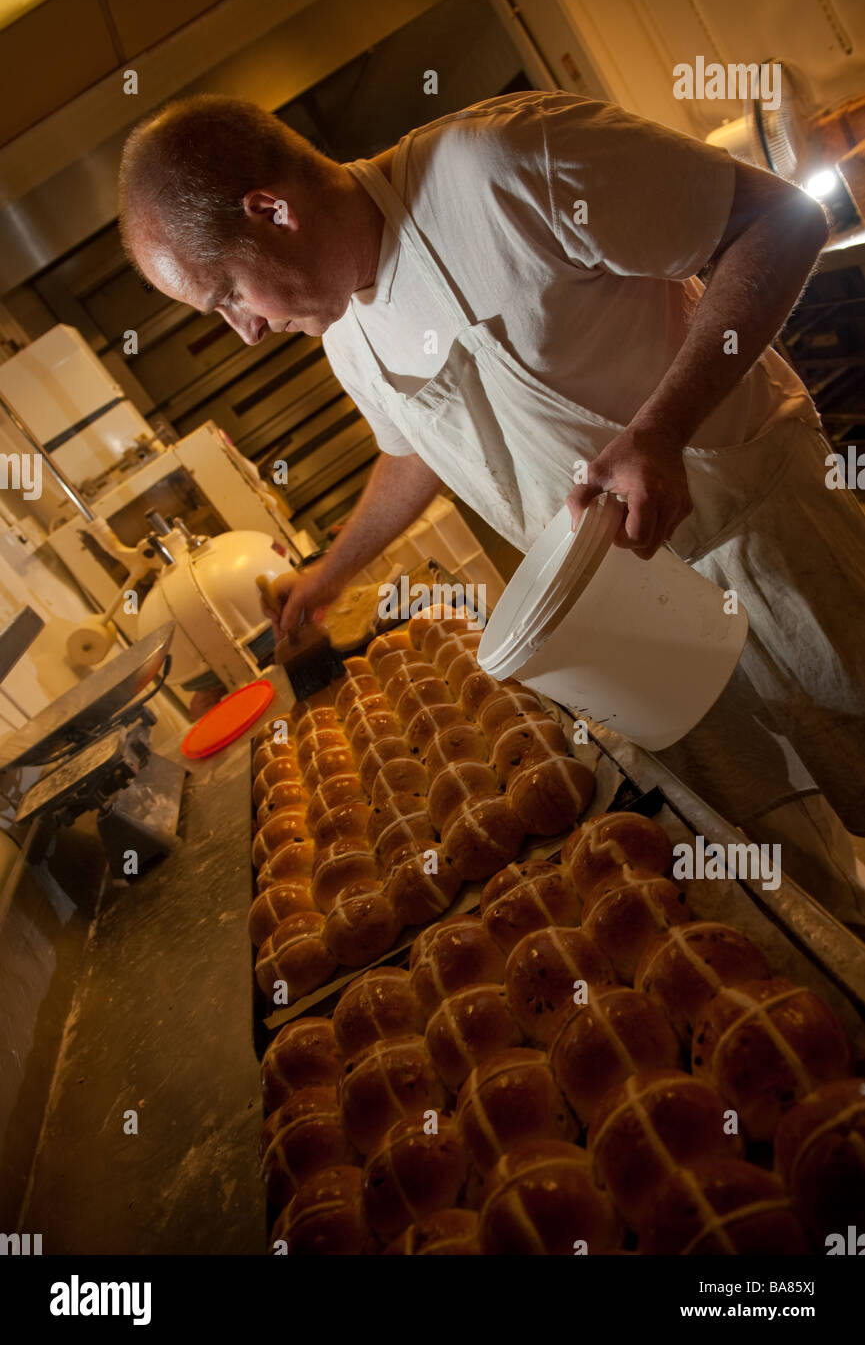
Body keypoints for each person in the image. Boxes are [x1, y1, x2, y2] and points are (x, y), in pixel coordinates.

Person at [117, 91, 865, 925]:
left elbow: (782, 222)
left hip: (762, 544)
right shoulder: (346, 337)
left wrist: (662, 429)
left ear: (272, 210)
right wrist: (330, 574)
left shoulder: (498, 167)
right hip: (632, 622)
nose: (244, 332)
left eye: (226, 293)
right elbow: (415, 449)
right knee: (784, 864)